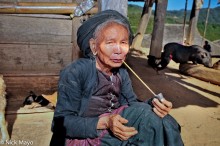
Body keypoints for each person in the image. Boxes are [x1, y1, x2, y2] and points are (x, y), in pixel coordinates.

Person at [50, 10, 183, 146]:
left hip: (116, 129)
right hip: (85, 137)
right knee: (149, 122)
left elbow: (132, 104)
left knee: (163, 120)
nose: (118, 50)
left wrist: (154, 105)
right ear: (94, 46)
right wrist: (106, 122)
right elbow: (60, 123)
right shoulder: (76, 72)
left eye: (124, 42)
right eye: (110, 42)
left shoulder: (121, 73)